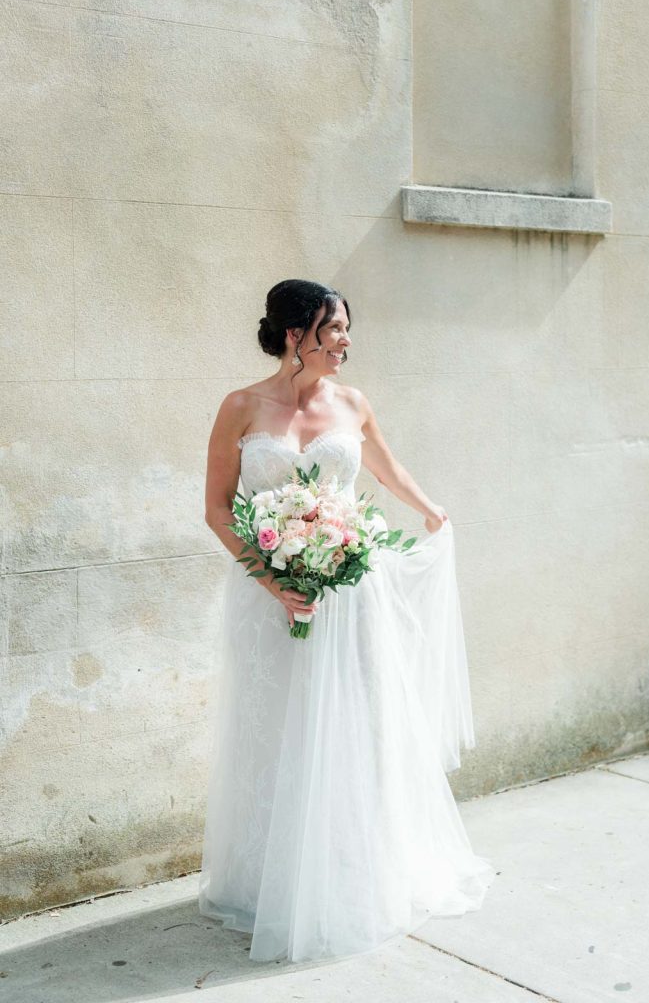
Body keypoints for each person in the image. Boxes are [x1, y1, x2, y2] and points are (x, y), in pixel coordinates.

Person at [198, 278, 495, 963]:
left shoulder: (354, 404)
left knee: (355, 726)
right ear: (295, 334)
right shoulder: (240, 407)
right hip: (267, 598)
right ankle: (268, 882)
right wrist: (271, 579)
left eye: (347, 330)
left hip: (347, 593)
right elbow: (216, 507)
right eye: (333, 330)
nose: (346, 342)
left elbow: (387, 470)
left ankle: (352, 874)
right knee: (274, 730)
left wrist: (432, 509)